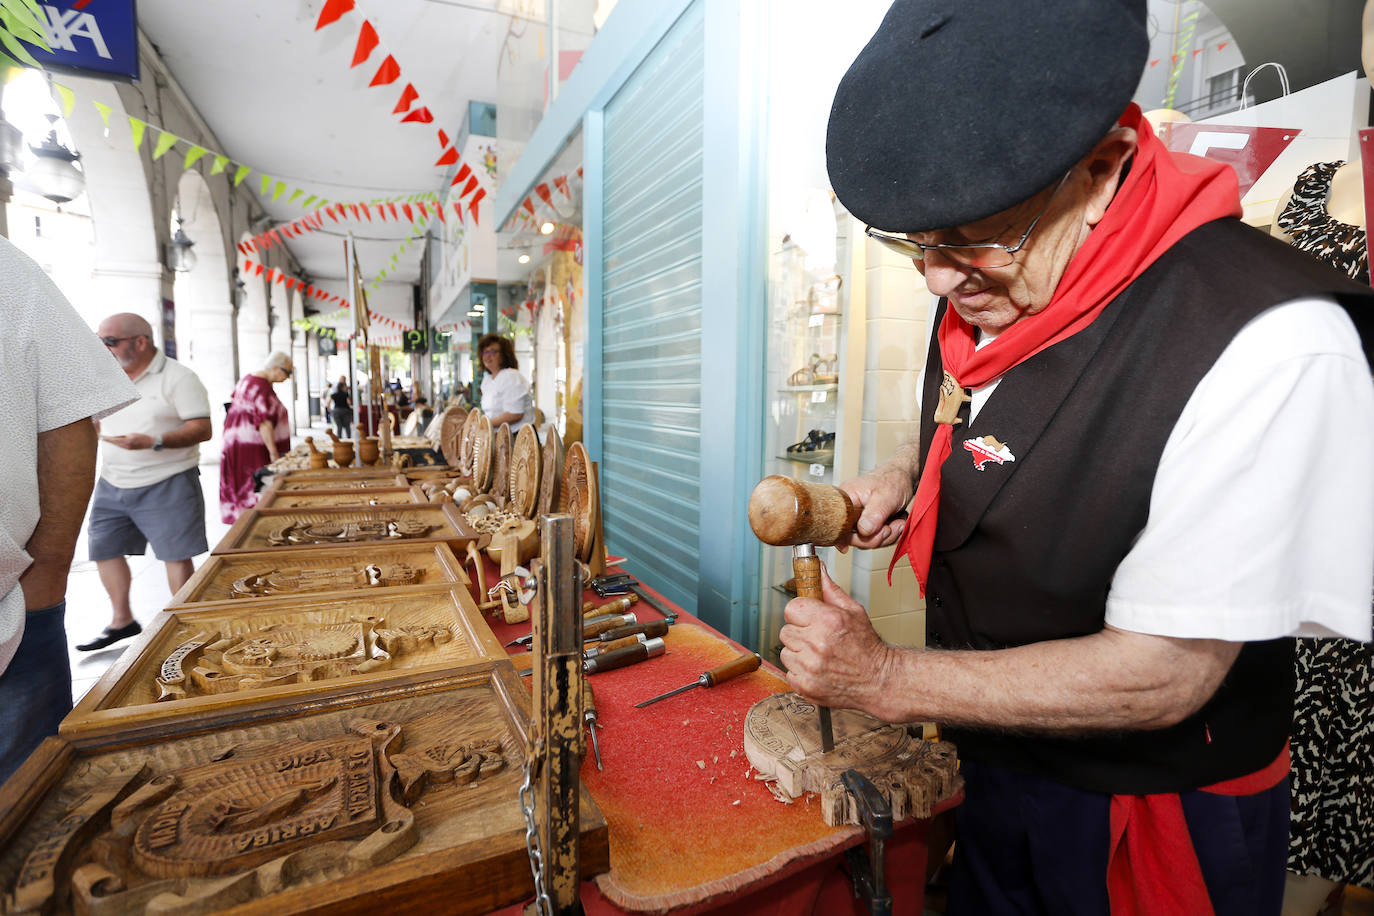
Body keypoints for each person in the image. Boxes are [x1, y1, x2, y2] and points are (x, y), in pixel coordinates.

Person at [779, 3, 1374, 914]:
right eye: (917, 243)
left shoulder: (1266, 344)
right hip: (998, 760)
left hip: (1150, 808)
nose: (938, 277)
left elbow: (1164, 673)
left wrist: (884, 677)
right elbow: (966, 398)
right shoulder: (995, 272)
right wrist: (912, 472)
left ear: (1098, 174)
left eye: (974, 236)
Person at [0, 237, 138, 781]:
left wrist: (48, 570)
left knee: (28, 800)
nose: (107, 345)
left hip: (13, 609)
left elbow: (67, 416)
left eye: (113, 339)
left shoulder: (9, 272)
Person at [78, 313, 213, 652]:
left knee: (175, 555)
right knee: (104, 549)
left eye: (110, 341)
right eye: (99, 341)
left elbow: (202, 429)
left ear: (141, 342)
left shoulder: (179, 378)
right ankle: (121, 620)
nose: (103, 348)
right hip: (114, 480)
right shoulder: (104, 378)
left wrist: (154, 441)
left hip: (168, 478)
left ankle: (187, 626)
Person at [219, 351, 292, 523]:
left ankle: (243, 521)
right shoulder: (260, 385)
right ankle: (254, 523)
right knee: (256, 485)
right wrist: (274, 453)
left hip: (236, 443)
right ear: (275, 368)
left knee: (242, 484)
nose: (288, 378)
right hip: (251, 446)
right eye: (287, 372)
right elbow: (264, 422)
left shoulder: (249, 380)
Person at [478, 333, 534, 432]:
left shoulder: (511, 376)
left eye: (493, 352)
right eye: (485, 352)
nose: (487, 356)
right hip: (498, 436)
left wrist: (483, 424)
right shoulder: (487, 380)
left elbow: (515, 414)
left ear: (504, 355)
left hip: (519, 438)